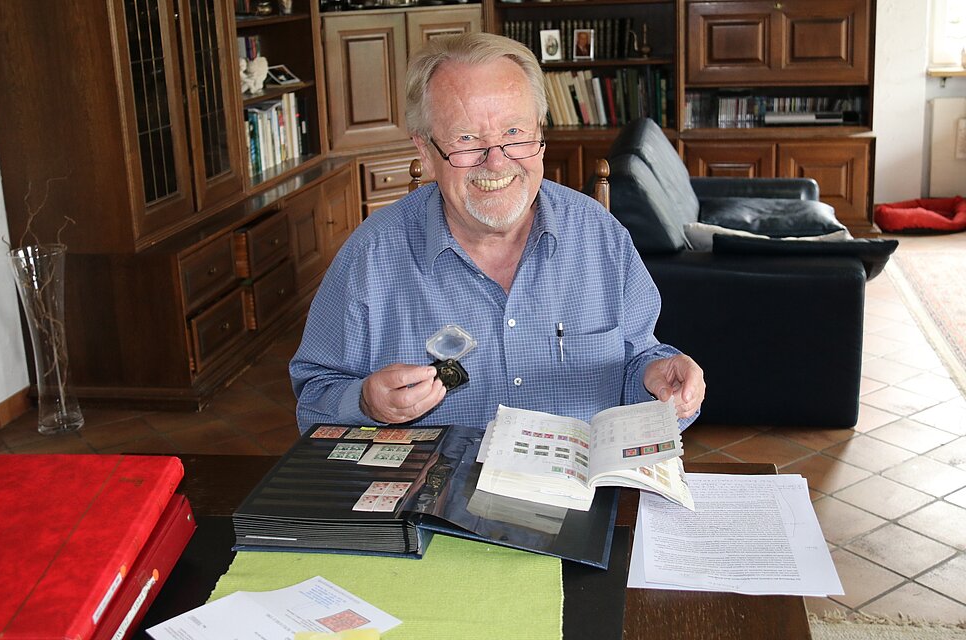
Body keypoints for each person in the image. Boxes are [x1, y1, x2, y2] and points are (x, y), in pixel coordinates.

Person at [290, 32, 704, 434]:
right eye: (467, 140)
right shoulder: (371, 257)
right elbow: (314, 396)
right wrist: (365, 402)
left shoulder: (600, 237)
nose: (497, 163)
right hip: (438, 499)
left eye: (514, 133)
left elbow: (639, 360)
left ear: (540, 132)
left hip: (581, 490)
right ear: (425, 152)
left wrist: (659, 376)